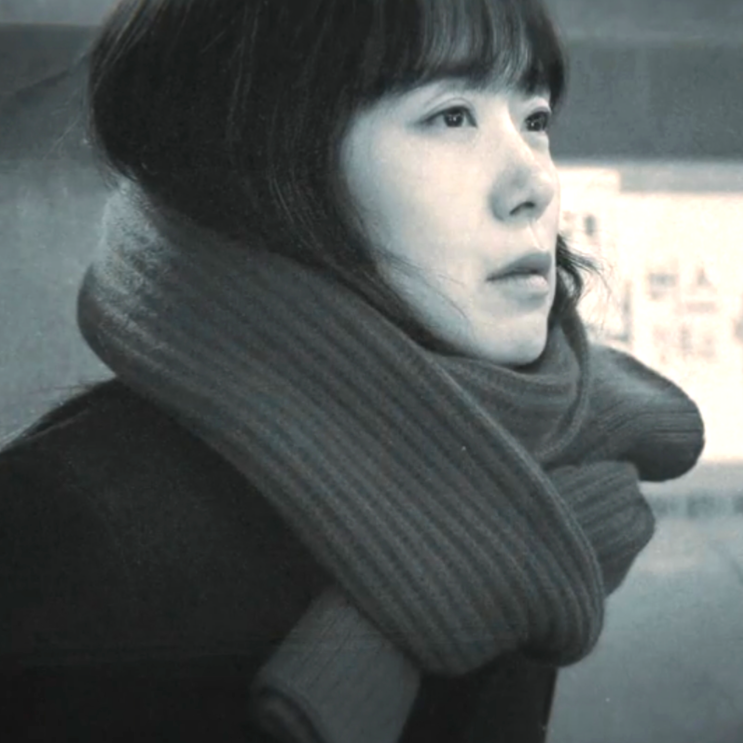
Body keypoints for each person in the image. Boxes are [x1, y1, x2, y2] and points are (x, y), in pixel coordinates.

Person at [0, 1, 705, 742]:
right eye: (451, 117)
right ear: (271, 162)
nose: (535, 184)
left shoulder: (530, 493)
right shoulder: (66, 535)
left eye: (533, 119)